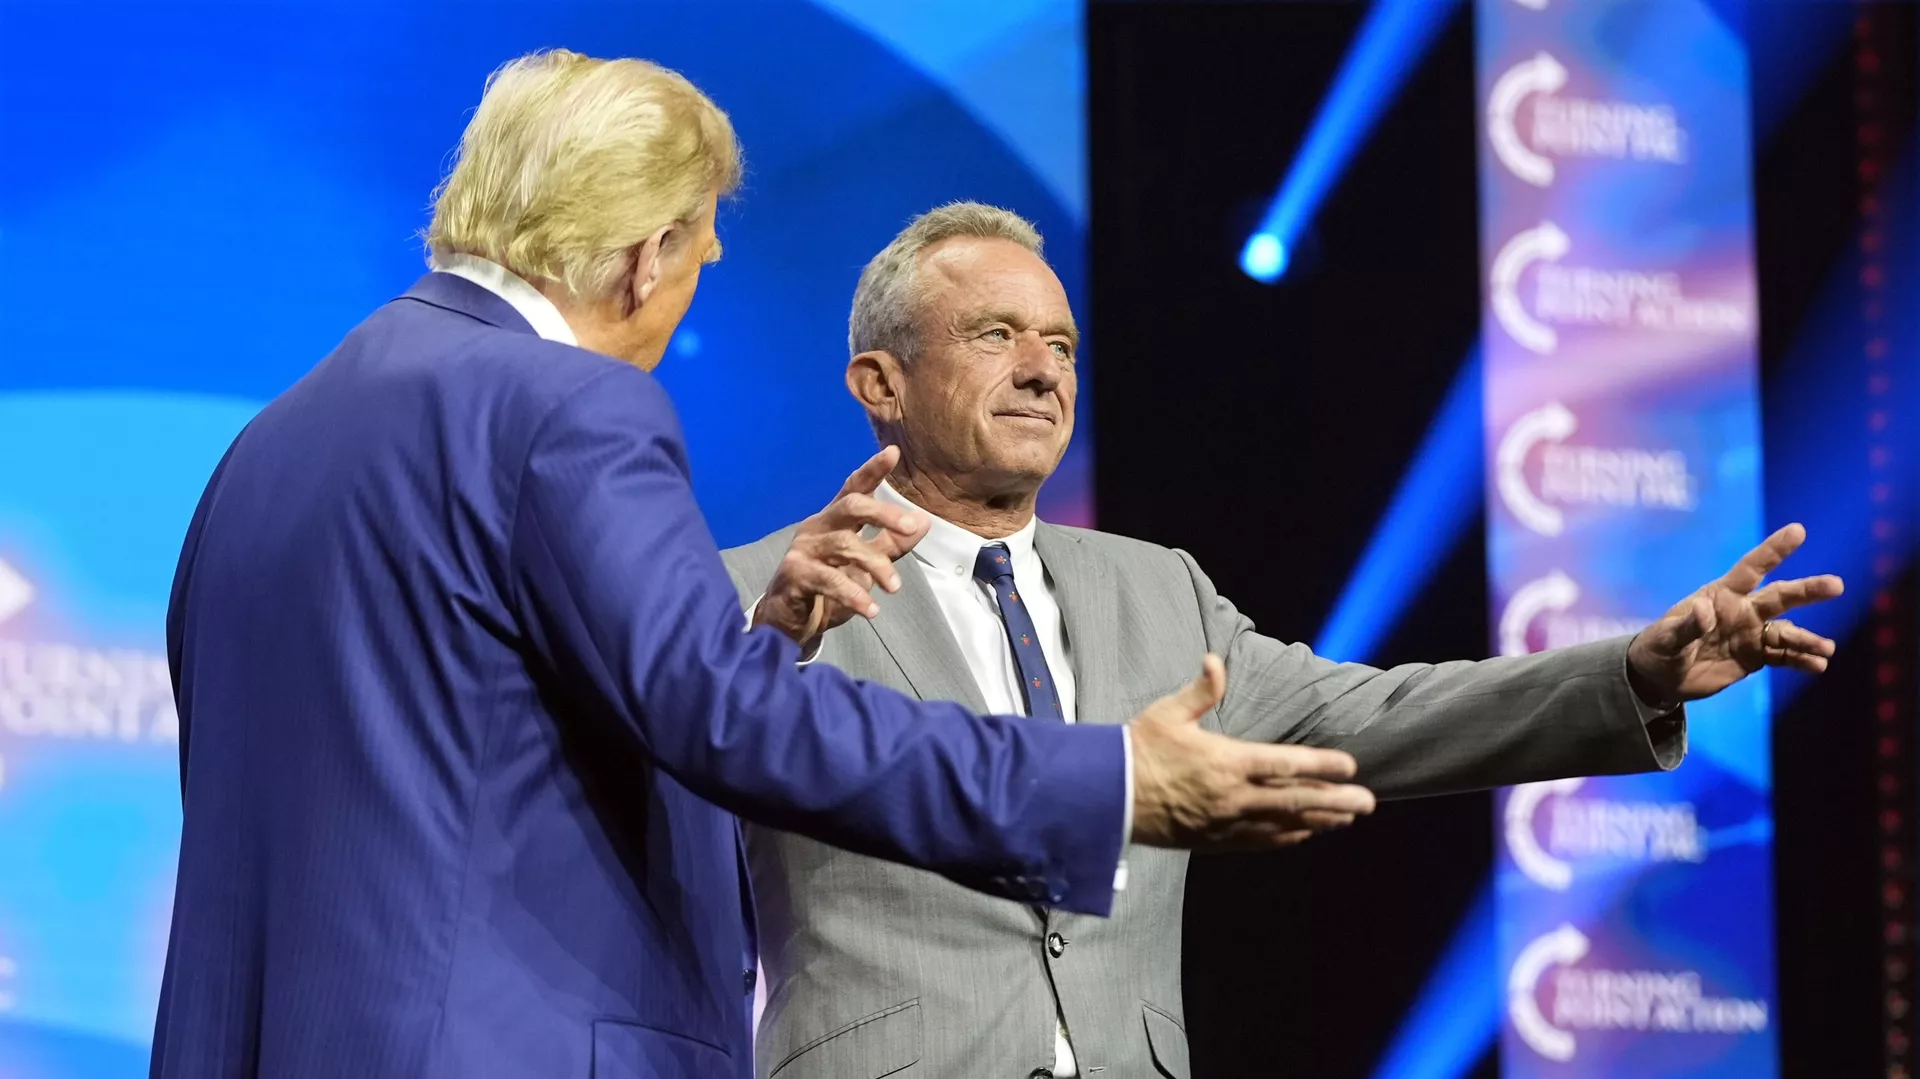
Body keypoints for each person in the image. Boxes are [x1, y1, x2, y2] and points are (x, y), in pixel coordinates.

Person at [150, 56, 1380, 1079]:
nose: (694, 290)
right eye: (695, 261)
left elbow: (459, 743)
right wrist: (1102, 780)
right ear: (644, 253)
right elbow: (731, 721)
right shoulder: (573, 404)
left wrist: (757, 626)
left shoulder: (268, 446)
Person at [721, 201, 1845, 1079]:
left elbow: (1372, 715)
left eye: (1061, 343)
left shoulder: (1157, 588)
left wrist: (1630, 671)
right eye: (995, 334)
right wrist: (770, 651)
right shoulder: (752, 590)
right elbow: (686, 813)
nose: (1043, 369)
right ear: (882, 384)